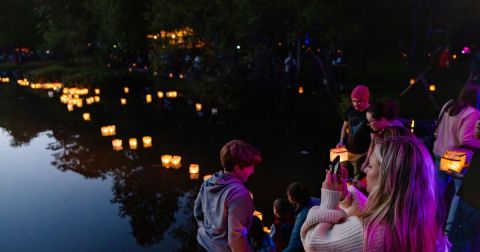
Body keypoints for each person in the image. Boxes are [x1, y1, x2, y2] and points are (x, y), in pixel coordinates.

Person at [301, 126, 449, 251]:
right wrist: (346, 197)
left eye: (370, 165)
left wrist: (329, 197)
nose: (364, 169)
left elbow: (314, 243)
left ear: (387, 178)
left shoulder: (372, 235)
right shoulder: (419, 220)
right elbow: (377, 213)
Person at [194, 139, 262, 252]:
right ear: (237, 167)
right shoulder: (239, 194)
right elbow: (236, 239)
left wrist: (207, 233)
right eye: (250, 166)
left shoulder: (209, 182)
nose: (253, 171)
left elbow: (197, 212)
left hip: (202, 245)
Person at [433, 80, 480, 234]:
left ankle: (431, 224)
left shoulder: (449, 105)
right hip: (454, 158)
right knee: (458, 194)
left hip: (439, 154)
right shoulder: (472, 112)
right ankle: (448, 230)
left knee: (437, 194)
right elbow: (465, 139)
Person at [337, 85, 371, 179]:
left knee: (357, 180)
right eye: (354, 101)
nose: (356, 104)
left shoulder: (371, 113)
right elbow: (345, 126)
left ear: (366, 99)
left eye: (359, 101)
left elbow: (374, 137)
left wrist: (368, 157)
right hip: (348, 151)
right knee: (341, 176)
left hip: (361, 155)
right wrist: (341, 141)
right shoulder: (350, 109)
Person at [360, 101, 404, 173]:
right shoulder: (383, 129)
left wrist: (370, 169)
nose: (368, 125)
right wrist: (366, 161)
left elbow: (388, 165)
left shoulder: (394, 135)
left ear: (381, 120)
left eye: (370, 121)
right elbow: (373, 142)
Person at [284, 182, 319, 252]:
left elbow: (294, 244)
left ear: (292, 197)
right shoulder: (316, 200)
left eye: (288, 195)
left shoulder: (303, 214)